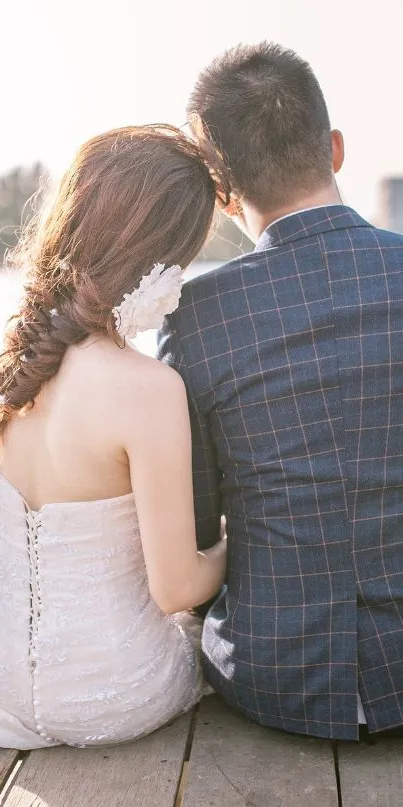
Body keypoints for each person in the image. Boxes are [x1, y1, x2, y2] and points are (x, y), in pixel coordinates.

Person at [158, 42, 403, 741]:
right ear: (334, 148)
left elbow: (200, 527)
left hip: (275, 676)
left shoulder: (195, 318)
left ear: (222, 192)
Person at [0, 125, 227, 750]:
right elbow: (176, 588)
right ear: (158, 260)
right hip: (117, 693)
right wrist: (233, 545)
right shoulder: (147, 387)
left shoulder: (15, 368)